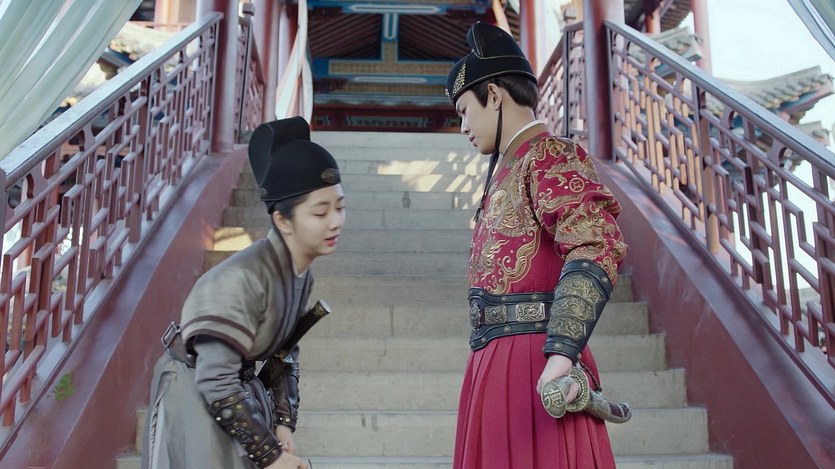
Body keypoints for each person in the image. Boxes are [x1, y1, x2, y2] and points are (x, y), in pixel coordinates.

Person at [445, 22, 628, 468]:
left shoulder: (548, 155)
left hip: (538, 361)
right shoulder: (508, 169)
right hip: (494, 362)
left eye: (465, 110)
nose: (463, 126)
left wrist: (563, 351)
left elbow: (595, 242)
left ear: (493, 95)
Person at [142, 116, 346, 469]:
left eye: (340, 208)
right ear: (282, 221)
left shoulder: (298, 272)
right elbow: (215, 378)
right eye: (320, 213)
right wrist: (270, 455)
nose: (335, 222)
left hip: (237, 387)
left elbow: (285, 350)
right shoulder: (239, 279)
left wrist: (283, 421)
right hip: (196, 389)